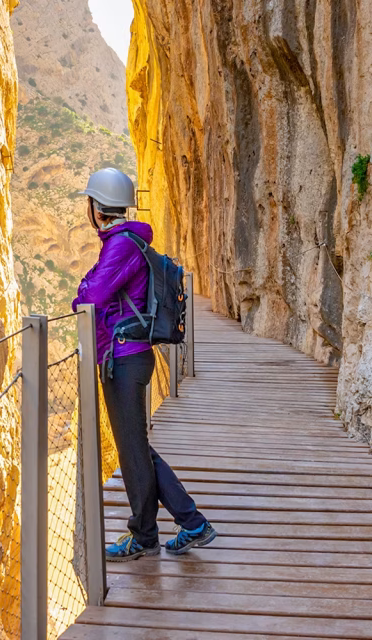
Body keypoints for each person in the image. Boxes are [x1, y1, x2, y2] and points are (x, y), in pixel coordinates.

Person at [71, 168, 217, 561]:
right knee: (136, 449)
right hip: (129, 357)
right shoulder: (126, 241)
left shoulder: (120, 245)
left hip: (124, 359)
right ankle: (172, 527)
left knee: (134, 450)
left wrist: (83, 289)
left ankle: (166, 529)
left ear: (97, 208)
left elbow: (90, 296)